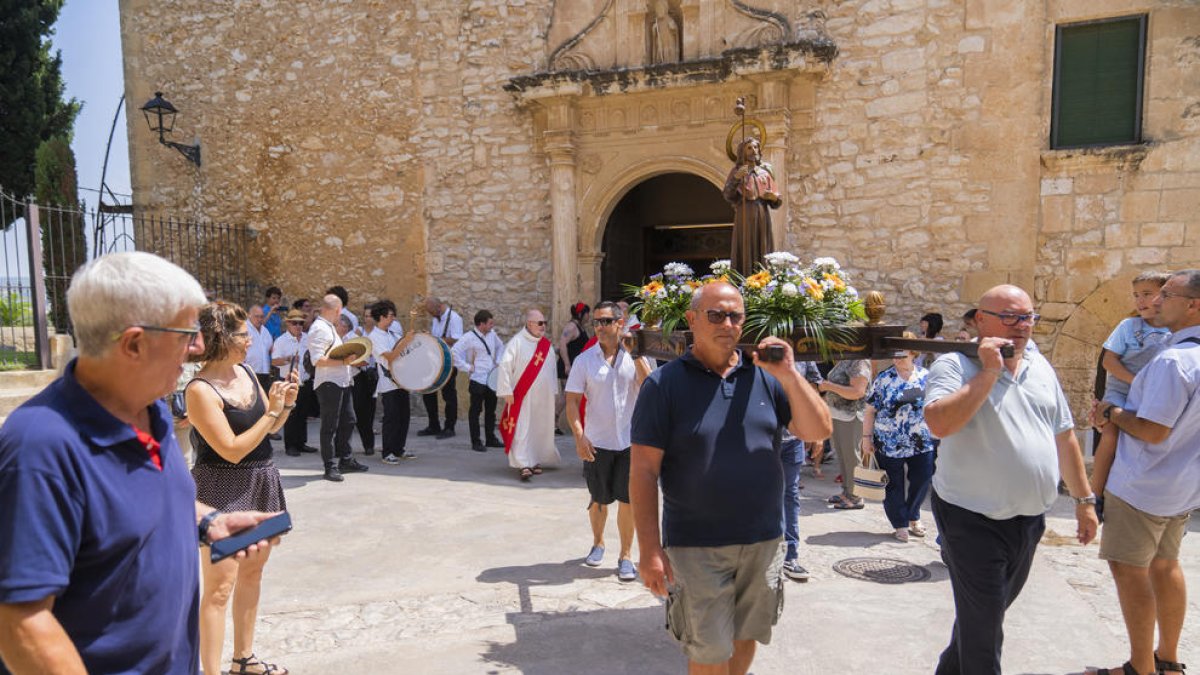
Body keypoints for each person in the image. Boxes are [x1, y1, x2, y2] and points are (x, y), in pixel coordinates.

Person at [0, 252, 279, 674]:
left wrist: (208, 522)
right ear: (134, 343)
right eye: (187, 333)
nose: (198, 347)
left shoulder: (150, 411)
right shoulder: (40, 447)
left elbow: (142, 499)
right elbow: (19, 620)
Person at [630, 281, 831, 674]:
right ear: (691, 320)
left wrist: (789, 374)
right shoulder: (664, 385)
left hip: (763, 541)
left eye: (735, 315)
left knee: (745, 636)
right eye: (715, 314)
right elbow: (643, 470)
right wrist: (649, 549)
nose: (727, 323)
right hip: (696, 547)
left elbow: (817, 430)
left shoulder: (767, 377)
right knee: (708, 651)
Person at [923, 284, 1098, 675]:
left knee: (982, 618)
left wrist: (1085, 501)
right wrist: (989, 372)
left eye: (1028, 317)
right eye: (1010, 317)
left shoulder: (1040, 365)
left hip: (1028, 520)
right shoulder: (954, 365)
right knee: (984, 632)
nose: (1021, 325)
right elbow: (939, 424)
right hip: (971, 518)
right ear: (980, 320)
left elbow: (1064, 436)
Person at [1089, 270, 1200, 675]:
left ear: (1193, 305)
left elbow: (1153, 430)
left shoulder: (1173, 361)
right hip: (1181, 487)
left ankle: (1140, 668)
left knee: (1130, 571)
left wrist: (1112, 412)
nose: (1155, 302)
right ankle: (1167, 661)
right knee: (1166, 566)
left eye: (1166, 295)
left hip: (1142, 485)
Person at [186, 302, 298, 675]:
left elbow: (270, 429)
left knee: (253, 574)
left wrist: (284, 406)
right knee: (219, 588)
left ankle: (243, 660)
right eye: (243, 335)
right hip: (222, 488)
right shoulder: (200, 390)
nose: (250, 341)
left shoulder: (247, 372)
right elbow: (231, 450)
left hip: (262, 481)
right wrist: (272, 412)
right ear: (222, 338)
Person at [565, 301, 653, 581]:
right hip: (597, 441)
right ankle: (598, 542)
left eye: (605, 321)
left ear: (620, 323)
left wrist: (634, 354)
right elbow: (572, 401)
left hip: (630, 441)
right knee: (599, 500)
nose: (600, 327)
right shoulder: (584, 360)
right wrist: (579, 436)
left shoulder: (636, 356)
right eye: (596, 322)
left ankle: (626, 556)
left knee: (628, 501)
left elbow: (650, 387)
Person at [1089, 271, 1172, 501]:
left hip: (1152, 396)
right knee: (1111, 435)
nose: (1140, 301)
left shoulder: (1174, 332)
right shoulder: (1128, 326)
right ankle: (1095, 494)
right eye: (1136, 295)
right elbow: (1109, 361)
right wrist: (1136, 382)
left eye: (1147, 294)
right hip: (1121, 392)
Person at [861, 333, 937, 543]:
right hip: (889, 441)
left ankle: (913, 514)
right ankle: (900, 523)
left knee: (923, 478)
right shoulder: (884, 379)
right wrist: (866, 438)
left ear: (913, 353)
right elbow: (870, 410)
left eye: (901, 354)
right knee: (893, 484)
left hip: (921, 440)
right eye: (894, 354)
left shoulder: (926, 376)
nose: (896, 358)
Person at [308, 294, 369, 482]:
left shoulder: (328, 327)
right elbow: (317, 360)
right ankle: (330, 466)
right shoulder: (319, 329)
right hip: (329, 383)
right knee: (330, 426)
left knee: (349, 420)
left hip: (341, 381)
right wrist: (344, 361)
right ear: (337, 310)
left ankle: (346, 459)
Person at [497, 308, 560, 480]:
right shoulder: (517, 342)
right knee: (522, 429)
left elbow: (552, 370)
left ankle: (535, 460)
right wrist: (506, 390)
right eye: (540, 323)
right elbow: (504, 365)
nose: (543, 326)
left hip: (543, 398)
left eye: (545, 323)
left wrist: (554, 391)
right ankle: (523, 463)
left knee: (538, 429)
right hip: (522, 396)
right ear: (529, 324)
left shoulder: (546, 346)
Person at [781, 360, 823, 581]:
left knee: (790, 495)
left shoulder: (804, 355)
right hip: (762, 438)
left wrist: (816, 433)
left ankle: (790, 555)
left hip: (793, 440)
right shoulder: (755, 352)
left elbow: (812, 390)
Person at [818, 357, 871, 509]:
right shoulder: (846, 359)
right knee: (843, 456)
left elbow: (857, 392)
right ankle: (847, 492)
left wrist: (829, 386)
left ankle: (856, 496)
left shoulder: (859, 361)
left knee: (851, 457)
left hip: (851, 415)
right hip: (839, 414)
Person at [723, 137, 780, 275]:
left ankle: (764, 276)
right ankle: (744, 276)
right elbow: (728, 194)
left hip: (762, 214)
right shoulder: (737, 172)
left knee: (763, 243)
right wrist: (737, 178)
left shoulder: (764, 173)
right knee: (746, 244)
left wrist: (773, 197)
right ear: (742, 152)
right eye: (749, 148)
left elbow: (777, 200)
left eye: (755, 147)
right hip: (745, 213)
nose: (753, 150)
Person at [368, 301, 416, 464]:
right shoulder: (374, 337)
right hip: (388, 383)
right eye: (390, 316)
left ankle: (399, 448)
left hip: (402, 381)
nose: (393, 319)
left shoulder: (392, 334)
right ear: (381, 317)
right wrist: (406, 341)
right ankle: (387, 452)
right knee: (391, 418)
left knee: (404, 417)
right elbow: (390, 356)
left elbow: (404, 353)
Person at [451, 309, 506, 452]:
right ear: (481, 324)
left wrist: (498, 361)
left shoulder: (492, 334)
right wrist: (467, 367)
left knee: (491, 410)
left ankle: (490, 439)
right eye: (490, 323)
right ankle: (476, 441)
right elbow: (454, 352)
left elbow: (501, 346)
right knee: (475, 411)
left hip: (491, 378)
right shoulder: (469, 337)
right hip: (477, 378)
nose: (492, 326)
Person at [272, 309, 318, 457]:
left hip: (304, 381)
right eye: (294, 323)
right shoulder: (281, 341)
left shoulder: (307, 338)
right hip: (289, 382)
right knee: (290, 415)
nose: (298, 326)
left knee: (303, 414)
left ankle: (301, 443)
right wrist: (288, 359)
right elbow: (274, 361)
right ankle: (290, 445)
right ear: (288, 324)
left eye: (300, 323)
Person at [418, 297, 463, 439]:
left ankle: (450, 427)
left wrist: (435, 339)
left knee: (448, 395)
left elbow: (457, 339)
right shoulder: (436, 318)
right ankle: (434, 425)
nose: (431, 315)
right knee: (428, 391)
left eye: (431, 312)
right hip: (435, 360)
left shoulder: (454, 318)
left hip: (449, 361)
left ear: (438, 307)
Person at [244, 304, 274, 395]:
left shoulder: (265, 331)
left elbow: (271, 349)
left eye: (261, 317)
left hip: (265, 373)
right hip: (248, 373)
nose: (259, 319)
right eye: (256, 316)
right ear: (249, 315)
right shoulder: (244, 329)